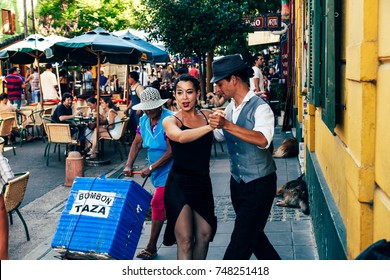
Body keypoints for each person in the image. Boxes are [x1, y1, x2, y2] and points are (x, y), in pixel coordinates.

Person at [208, 54, 280, 260]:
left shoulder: (261, 106)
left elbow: (263, 140)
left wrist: (227, 125)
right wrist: (204, 121)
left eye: (220, 84)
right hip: (238, 182)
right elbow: (221, 136)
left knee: (239, 244)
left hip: (259, 184)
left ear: (233, 79)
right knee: (254, 238)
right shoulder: (231, 107)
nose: (217, 89)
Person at [162, 74, 217, 260]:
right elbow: (180, 137)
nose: (184, 98)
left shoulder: (208, 115)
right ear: (175, 96)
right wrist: (210, 127)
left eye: (189, 92)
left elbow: (231, 126)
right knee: (185, 240)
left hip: (202, 183)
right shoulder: (171, 120)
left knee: (205, 234)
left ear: (198, 93)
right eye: (180, 93)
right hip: (178, 184)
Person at [122, 87, 174, 260]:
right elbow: (137, 144)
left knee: (157, 202)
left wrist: (151, 168)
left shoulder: (169, 119)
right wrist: (128, 165)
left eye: (152, 107)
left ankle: (151, 246)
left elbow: (170, 152)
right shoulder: (144, 120)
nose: (149, 111)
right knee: (169, 205)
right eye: (146, 108)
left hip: (171, 169)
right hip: (155, 171)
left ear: (159, 105)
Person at [124, 71, 144, 140]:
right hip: (133, 110)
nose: (128, 79)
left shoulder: (139, 87)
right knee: (130, 123)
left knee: (138, 125)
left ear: (133, 78)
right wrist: (127, 109)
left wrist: (139, 109)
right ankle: (133, 139)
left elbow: (143, 99)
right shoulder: (131, 87)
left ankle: (140, 140)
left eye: (129, 78)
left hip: (138, 111)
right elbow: (132, 101)